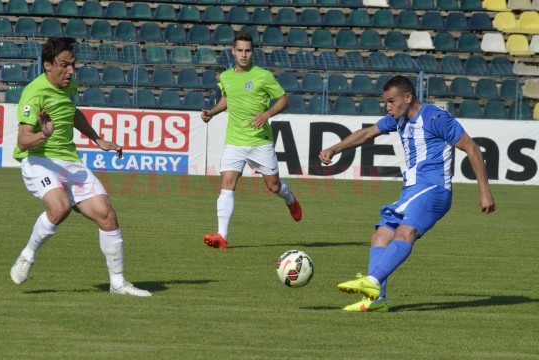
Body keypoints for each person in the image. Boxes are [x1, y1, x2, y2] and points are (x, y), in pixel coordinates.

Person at [319, 75, 495, 312]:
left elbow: (472, 148)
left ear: (408, 97)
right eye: (386, 102)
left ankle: (372, 282)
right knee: (380, 236)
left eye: (392, 101)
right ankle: (376, 301)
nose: (388, 107)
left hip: (434, 189)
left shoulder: (435, 117)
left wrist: (484, 191)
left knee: (404, 232)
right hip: (412, 191)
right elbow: (367, 133)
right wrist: (334, 148)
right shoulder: (399, 120)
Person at [9, 37, 150, 297]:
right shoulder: (34, 92)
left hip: (69, 161)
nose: (71, 71)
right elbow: (23, 140)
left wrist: (97, 140)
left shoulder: (70, 85)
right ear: (48, 65)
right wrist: (45, 134)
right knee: (60, 207)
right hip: (39, 159)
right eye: (64, 65)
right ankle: (27, 256)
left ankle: (117, 283)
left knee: (107, 214)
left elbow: (72, 112)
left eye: (73, 65)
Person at [200, 31, 302, 249]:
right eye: (240, 50)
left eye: (247, 50)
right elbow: (227, 98)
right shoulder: (226, 77)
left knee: (273, 187)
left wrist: (266, 115)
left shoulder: (263, 76)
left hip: (260, 141)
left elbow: (284, 100)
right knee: (227, 184)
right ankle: (222, 236)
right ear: (233, 52)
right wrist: (212, 112)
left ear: (252, 52)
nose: (244, 55)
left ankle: (291, 200)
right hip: (234, 141)